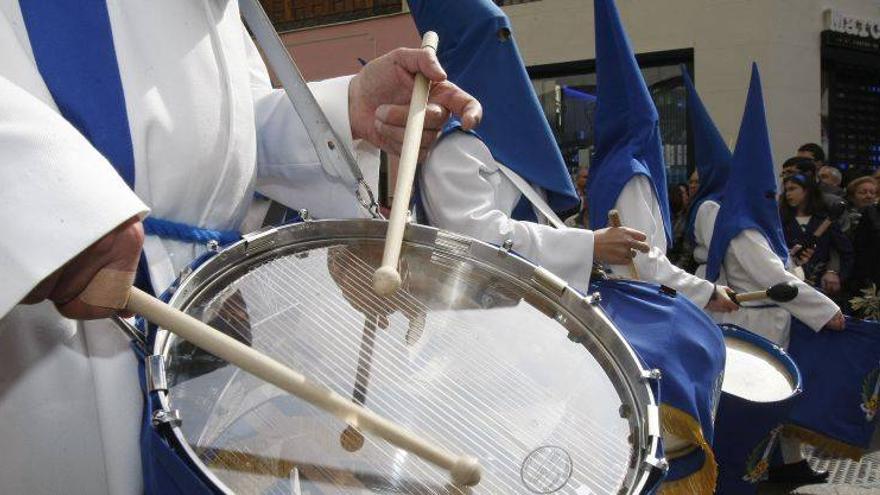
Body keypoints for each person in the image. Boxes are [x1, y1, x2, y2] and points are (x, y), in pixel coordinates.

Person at [0, 2, 482, 493]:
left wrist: (348, 108)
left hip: (207, 317)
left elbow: (216, 133)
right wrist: (34, 195)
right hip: (64, 337)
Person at [409, 0, 651, 295]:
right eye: (496, 39)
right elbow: (476, 239)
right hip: (482, 325)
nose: (508, 53)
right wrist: (590, 245)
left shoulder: (500, 146)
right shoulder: (453, 144)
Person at [702, 65, 843, 484]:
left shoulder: (752, 220)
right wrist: (826, 310)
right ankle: (750, 471)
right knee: (763, 399)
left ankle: (785, 465)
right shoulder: (742, 226)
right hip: (756, 322)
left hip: (769, 319)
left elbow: (784, 266)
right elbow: (774, 276)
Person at [584, 1, 736, 313]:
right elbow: (641, 259)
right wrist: (706, 292)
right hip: (639, 303)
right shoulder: (630, 172)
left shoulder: (608, 169)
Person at [779, 174, 853, 297]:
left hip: (821, 286)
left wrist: (835, 274)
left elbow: (846, 252)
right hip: (788, 285)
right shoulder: (780, 222)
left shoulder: (825, 220)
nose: (788, 194)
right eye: (786, 190)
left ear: (807, 191)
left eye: (792, 189)